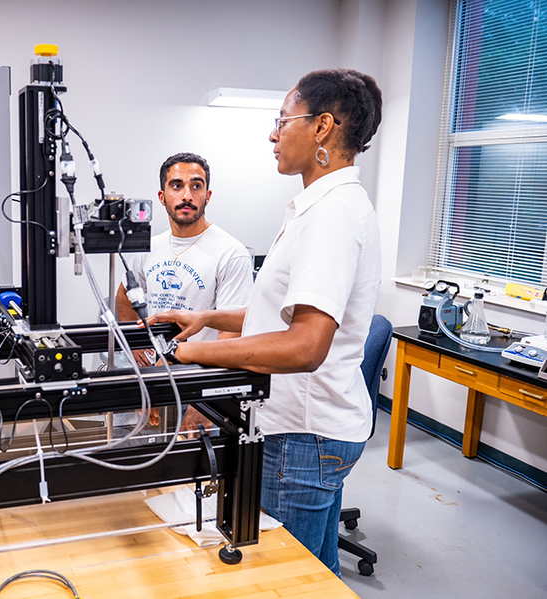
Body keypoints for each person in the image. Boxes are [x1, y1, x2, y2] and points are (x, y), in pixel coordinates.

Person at [146, 69, 383, 577]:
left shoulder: (332, 215)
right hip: (312, 432)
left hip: (302, 436)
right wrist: (207, 317)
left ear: (322, 128)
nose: (273, 134)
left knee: (284, 579)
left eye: (282, 120)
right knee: (318, 575)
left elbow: (305, 346)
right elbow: (283, 314)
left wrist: (198, 352)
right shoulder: (318, 206)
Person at [115, 152, 254, 429]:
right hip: (155, 377)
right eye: (177, 186)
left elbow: (230, 335)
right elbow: (124, 297)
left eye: (196, 186)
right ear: (162, 195)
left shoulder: (230, 253)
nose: (187, 195)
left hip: (198, 381)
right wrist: (136, 344)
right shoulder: (148, 248)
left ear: (208, 195)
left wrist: (204, 403)